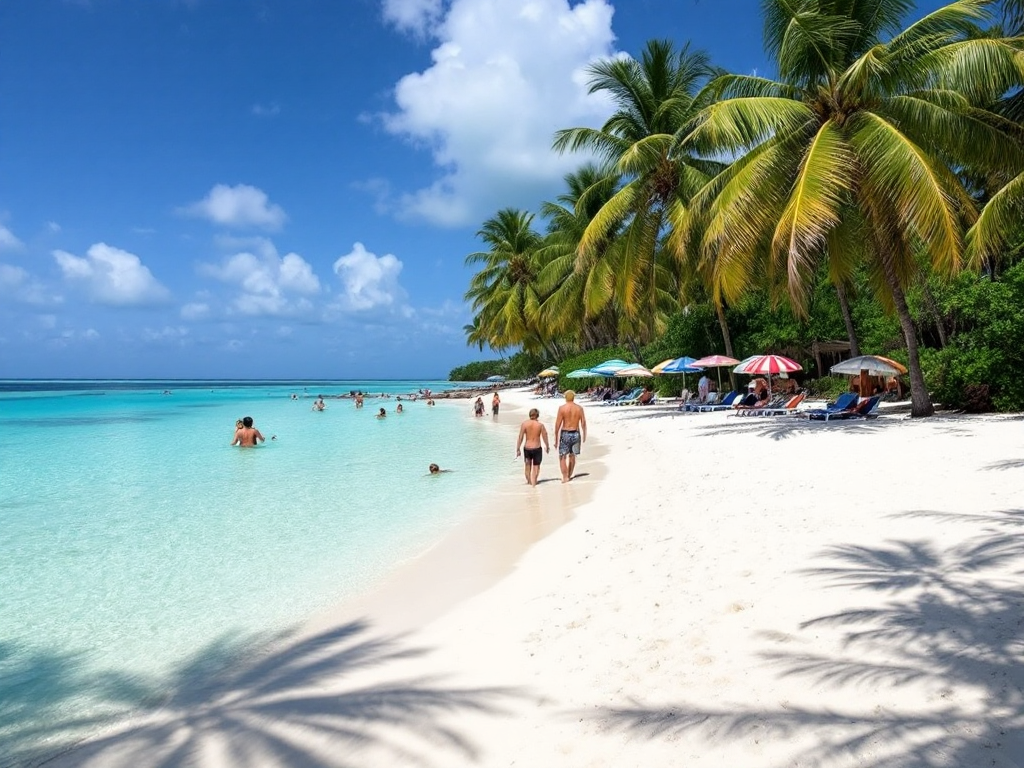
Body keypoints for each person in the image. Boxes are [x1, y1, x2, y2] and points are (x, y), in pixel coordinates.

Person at [554, 390, 587, 483]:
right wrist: (584, 434)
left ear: (565, 398)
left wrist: (556, 439)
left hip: (565, 433)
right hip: (576, 433)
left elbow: (557, 424)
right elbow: (583, 423)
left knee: (562, 456)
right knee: (572, 456)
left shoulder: (562, 408)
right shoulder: (579, 408)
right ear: (573, 397)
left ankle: (565, 477)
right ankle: (569, 474)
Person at [516, 407, 550, 486]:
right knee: (536, 466)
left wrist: (518, 448)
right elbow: (545, 436)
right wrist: (547, 446)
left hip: (527, 448)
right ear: (537, 415)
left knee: (527, 466)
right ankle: (534, 483)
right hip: (537, 448)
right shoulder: (540, 425)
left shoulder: (524, 424)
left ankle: (529, 482)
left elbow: (520, 437)